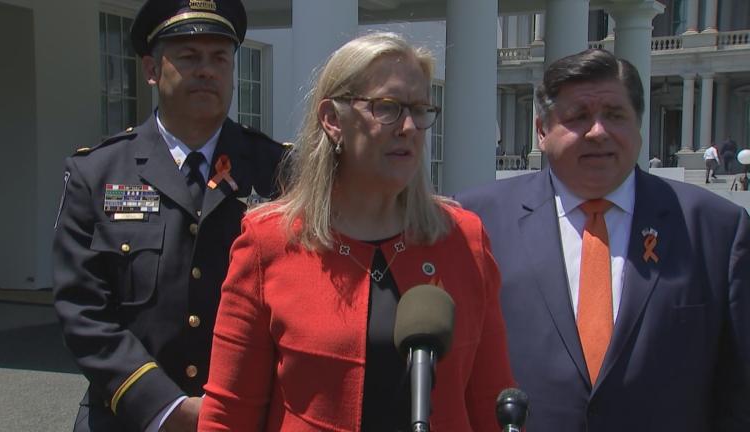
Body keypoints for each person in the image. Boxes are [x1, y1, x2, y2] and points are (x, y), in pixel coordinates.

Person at [198, 32, 515, 431]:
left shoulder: (463, 239)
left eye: (419, 109)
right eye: (387, 108)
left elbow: (493, 400)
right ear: (332, 119)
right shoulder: (269, 242)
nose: (408, 127)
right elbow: (229, 414)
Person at [457, 49, 750, 432]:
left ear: (638, 127)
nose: (598, 132)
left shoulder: (716, 228)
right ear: (542, 131)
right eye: (578, 117)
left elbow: (739, 390)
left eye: (614, 115)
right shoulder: (475, 222)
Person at [52, 1, 286, 431]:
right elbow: (83, 309)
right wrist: (164, 406)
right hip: (128, 415)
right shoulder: (96, 173)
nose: (206, 70)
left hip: (244, 416)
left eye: (219, 58)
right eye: (189, 56)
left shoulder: (279, 172)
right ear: (151, 70)